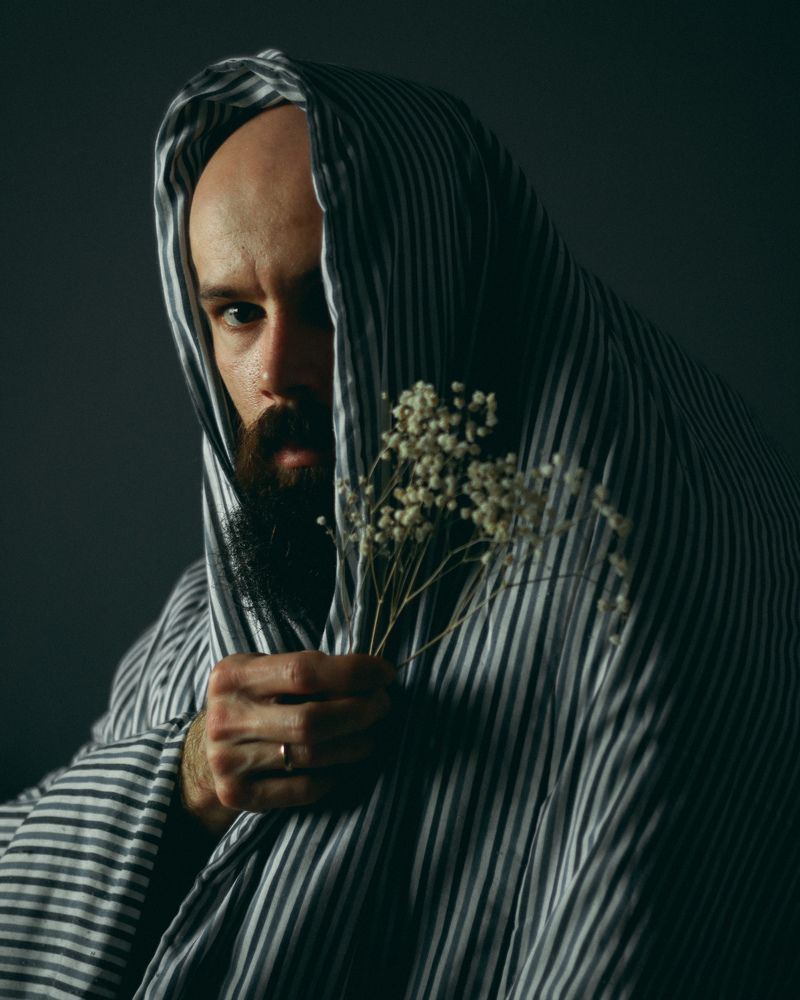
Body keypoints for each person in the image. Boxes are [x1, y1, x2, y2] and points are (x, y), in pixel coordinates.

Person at [1, 48, 798, 999]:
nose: (275, 372)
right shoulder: (202, 620)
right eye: (238, 312)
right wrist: (187, 784)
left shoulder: (639, 605)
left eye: (331, 302)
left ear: (449, 290)